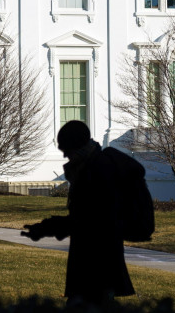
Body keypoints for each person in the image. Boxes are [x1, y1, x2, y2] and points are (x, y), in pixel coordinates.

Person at [21, 120, 134, 308]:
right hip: (96, 259)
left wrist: (46, 228)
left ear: (76, 146)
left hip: (97, 263)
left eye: (66, 149)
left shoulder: (95, 170)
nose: (64, 155)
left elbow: (87, 220)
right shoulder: (91, 166)